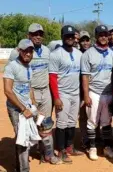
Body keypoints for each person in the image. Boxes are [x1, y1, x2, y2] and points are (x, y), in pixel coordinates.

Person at [7, 23, 61, 165]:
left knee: (45, 123)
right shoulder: (16, 53)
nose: (38, 36)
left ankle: (47, 154)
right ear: (28, 35)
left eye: (40, 34)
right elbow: (13, 75)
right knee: (24, 128)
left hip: (45, 92)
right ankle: (22, 162)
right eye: (34, 34)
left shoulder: (46, 51)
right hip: (29, 93)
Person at [49, 25, 84, 163]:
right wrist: (56, 98)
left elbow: (82, 76)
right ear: (62, 37)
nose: (70, 38)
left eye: (72, 36)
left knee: (71, 122)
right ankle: (61, 150)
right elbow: (52, 77)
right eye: (67, 36)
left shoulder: (79, 54)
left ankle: (70, 147)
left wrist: (82, 94)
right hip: (62, 94)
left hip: (75, 93)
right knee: (62, 123)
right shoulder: (56, 54)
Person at [81, 25, 113, 160]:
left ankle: (107, 148)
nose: (103, 37)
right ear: (96, 36)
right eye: (100, 35)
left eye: (105, 34)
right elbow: (85, 76)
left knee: (107, 121)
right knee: (92, 121)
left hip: (108, 93)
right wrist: (86, 95)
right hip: (94, 93)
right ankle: (92, 147)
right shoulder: (88, 54)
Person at [4, 39, 37, 172]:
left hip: (27, 108)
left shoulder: (29, 66)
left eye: (30, 51)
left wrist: (33, 104)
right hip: (16, 109)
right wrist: (23, 109)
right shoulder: (11, 66)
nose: (28, 53)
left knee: (25, 137)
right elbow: (7, 90)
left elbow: (29, 87)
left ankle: (19, 167)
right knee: (23, 140)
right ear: (19, 51)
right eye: (25, 51)